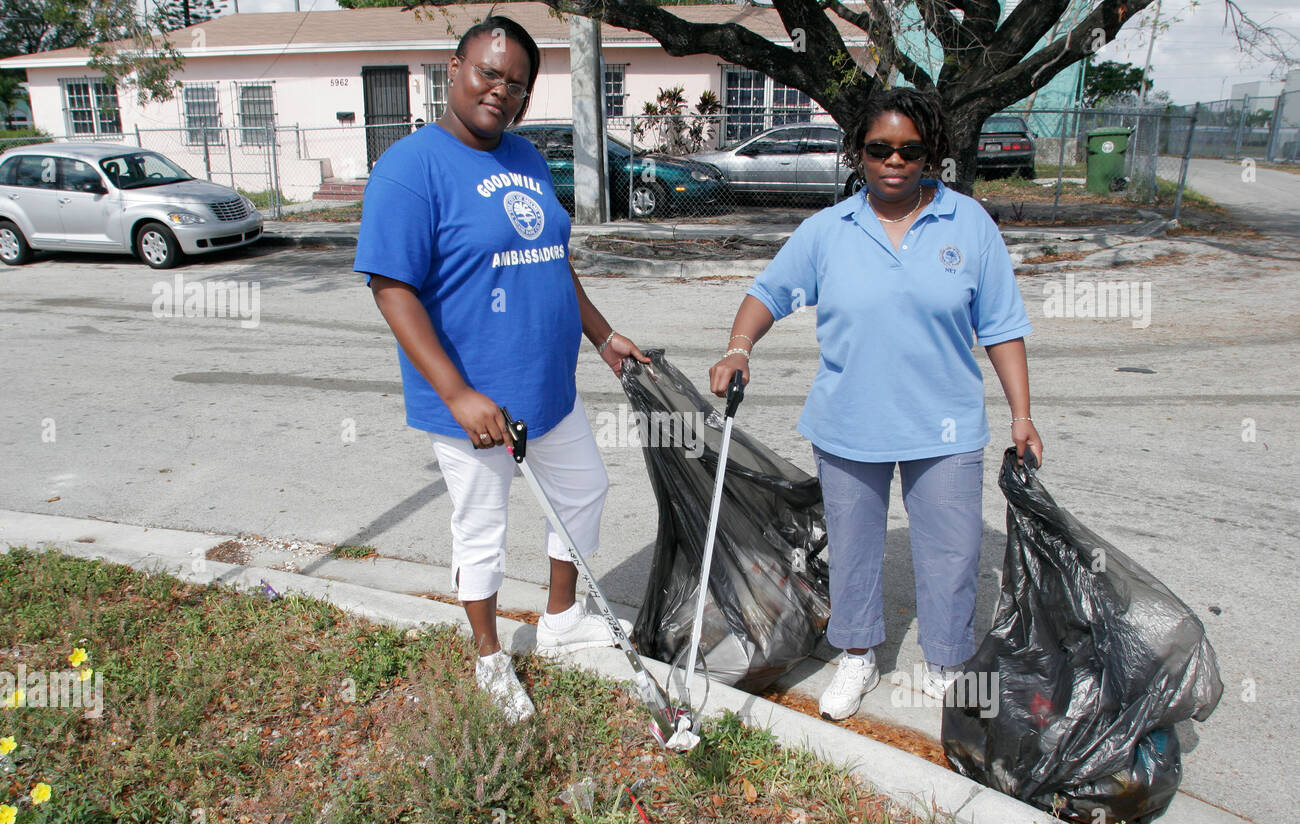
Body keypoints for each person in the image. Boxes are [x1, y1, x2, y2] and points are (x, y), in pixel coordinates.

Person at [708, 88, 1044, 722]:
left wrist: (1022, 417)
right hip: (849, 424)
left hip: (944, 429)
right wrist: (738, 348)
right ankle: (856, 656)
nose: (895, 161)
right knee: (856, 550)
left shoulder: (968, 223)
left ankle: (946, 663)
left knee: (952, 552)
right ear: (857, 152)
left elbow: (1001, 326)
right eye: (879, 149)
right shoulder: (829, 231)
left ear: (930, 154)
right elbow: (768, 293)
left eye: (909, 150)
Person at [353, 15, 648, 723]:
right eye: (488, 73)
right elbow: (390, 286)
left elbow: (552, 258)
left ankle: (560, 617)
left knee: (583, 489)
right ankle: (490, 657)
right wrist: (455, 393)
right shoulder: (410, 166)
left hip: (549, 386)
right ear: (452, 70)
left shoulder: (524, 156)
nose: (501, 92)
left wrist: (603, 337)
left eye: (516, 83)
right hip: (476, 399)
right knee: (481, 528)